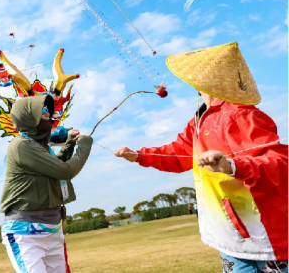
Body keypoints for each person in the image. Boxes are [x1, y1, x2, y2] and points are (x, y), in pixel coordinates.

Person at [115, 42, 288, 272]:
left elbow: (280, 164)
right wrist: (139, 156)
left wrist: (233, 166)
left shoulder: (241, 115)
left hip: (262, 236)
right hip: (229, 235)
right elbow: (179, 155)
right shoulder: (199, 119)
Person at [0, 95, 93, 273]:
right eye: (42, 111)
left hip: (52, 227)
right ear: (28, 117)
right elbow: (65, 171)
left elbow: (54, 166)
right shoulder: (21, 145)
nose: (48, 114)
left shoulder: (38, 145)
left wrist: (68, 146)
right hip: (25, 231)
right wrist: (84, 146)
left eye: (48, 110)